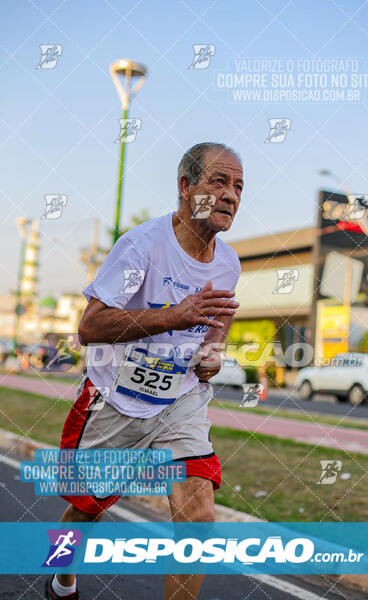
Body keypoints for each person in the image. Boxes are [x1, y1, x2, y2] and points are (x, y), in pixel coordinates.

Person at [45, 141, 243, 599]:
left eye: (238, 186)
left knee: (197, 518)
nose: (231, 195)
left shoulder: (228, 263)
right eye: (218, 181)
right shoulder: (142, 247)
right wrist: (176, 314)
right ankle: (60, 579)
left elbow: (219, 317)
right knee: (86, 510)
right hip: (114, 400)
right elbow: (90, 327)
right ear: (185, 186)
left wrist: (212, 351)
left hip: (180, 402)